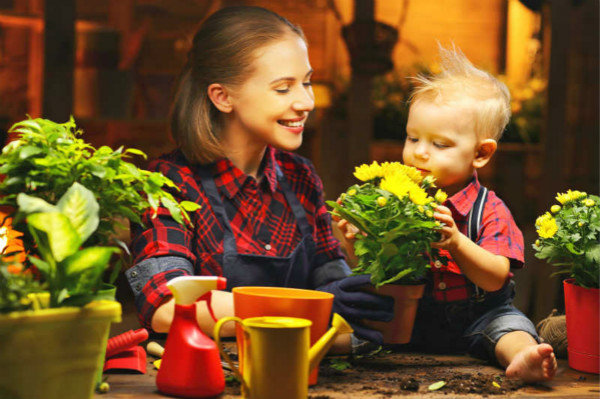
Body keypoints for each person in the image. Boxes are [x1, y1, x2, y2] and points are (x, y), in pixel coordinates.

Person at [125, 6, 393, 348]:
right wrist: (308, 310)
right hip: (208, 375)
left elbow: (330, 279)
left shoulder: (300, 177)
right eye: (283, 88)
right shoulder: (168, 182)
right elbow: (166, 305)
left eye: (306, 82)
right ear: (222, 96)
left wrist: (366, 278)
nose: (306, 102)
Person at [336, 45, 557, 382]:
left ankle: (523, 358)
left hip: (476, 317)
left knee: (510, 326)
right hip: (408, 320)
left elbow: (496, 277)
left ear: (481, 153)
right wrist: (354, 242)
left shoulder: (491, 209)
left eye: (439, 144)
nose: (420, 153)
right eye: (412, 138)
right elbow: (373, 271)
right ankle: (302, 345)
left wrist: (456, 242)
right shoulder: (394, 201)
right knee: (353, 326)